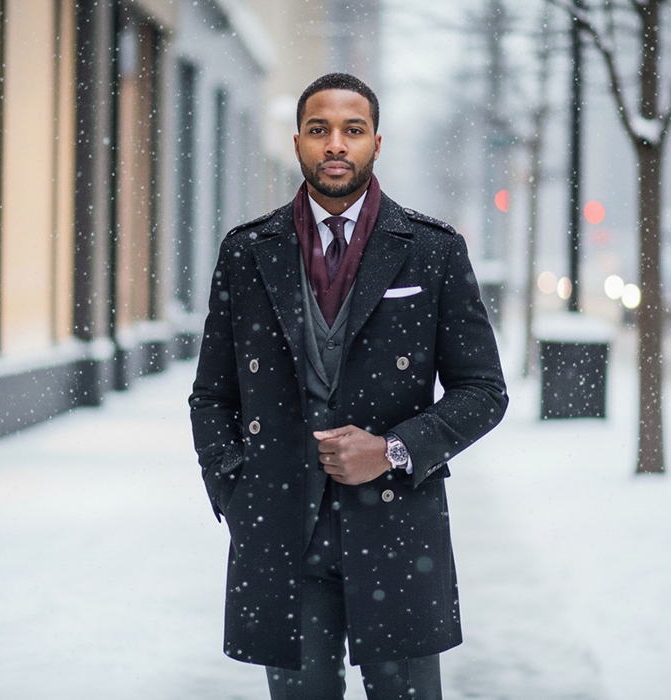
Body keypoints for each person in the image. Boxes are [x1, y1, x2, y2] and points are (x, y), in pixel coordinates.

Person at [189, 73, 508, 700]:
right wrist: (237, 493)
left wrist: (391, 450)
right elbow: (212, 396)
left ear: (376, 143)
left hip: (396, 532)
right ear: (299, 142)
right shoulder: (249, 251)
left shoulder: (431, 250)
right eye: (320, 129)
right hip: (283, 537)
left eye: (352, 130)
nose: (336, 144)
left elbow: (483, 391)